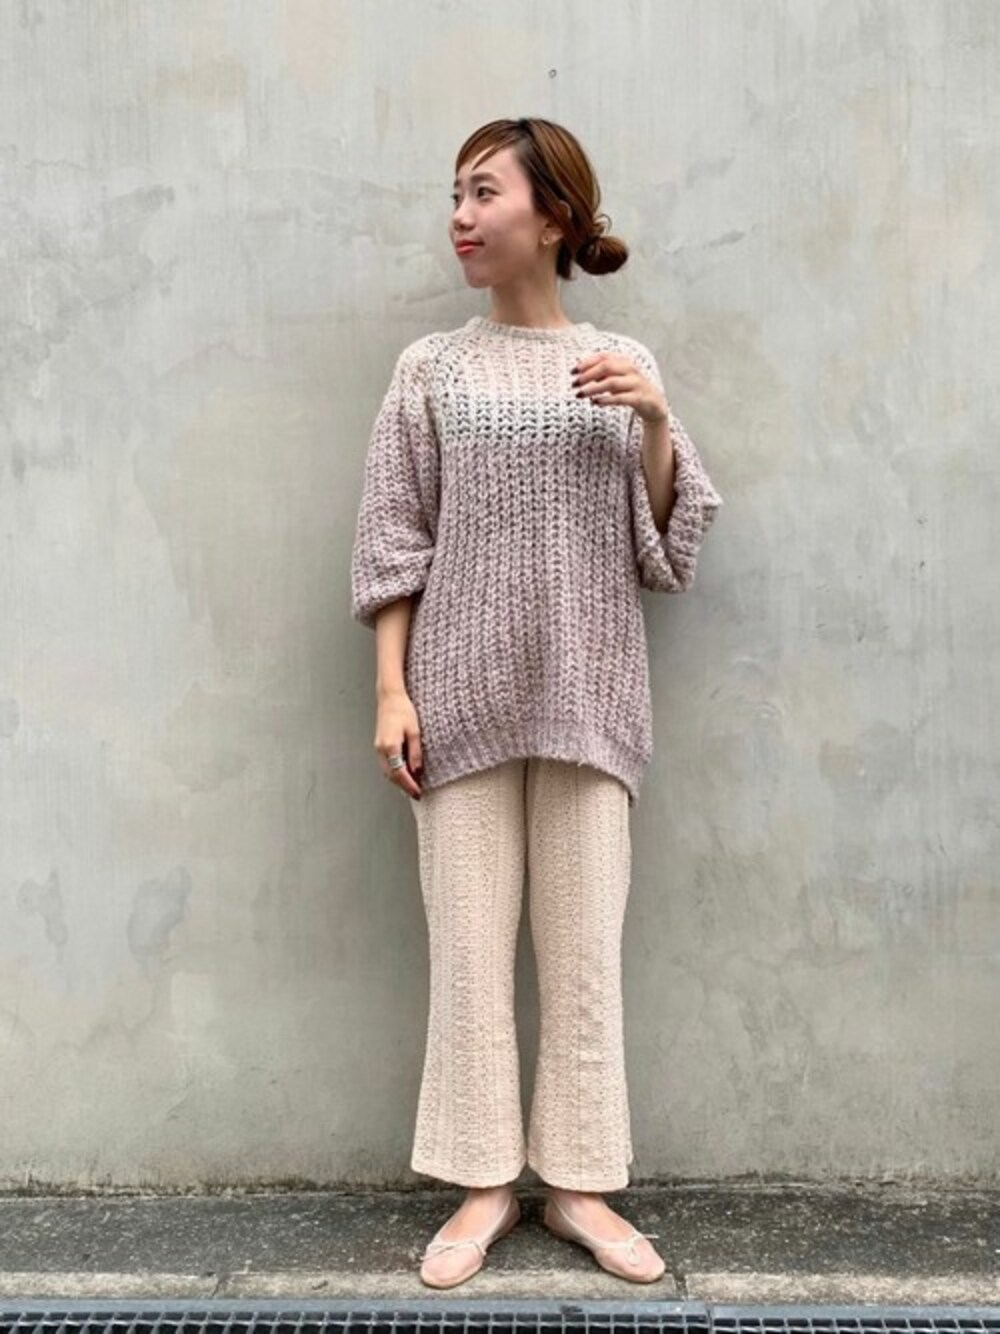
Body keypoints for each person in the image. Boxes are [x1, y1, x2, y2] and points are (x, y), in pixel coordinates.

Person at [350, 117, 724, 1288]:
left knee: (583, 956)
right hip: (455, 701)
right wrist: (391, 690)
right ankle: (479, 1183)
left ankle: (577, 1184)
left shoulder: (619, 360)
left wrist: (652, 418)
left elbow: (666, 545)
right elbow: (394, 537)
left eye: (483, 193)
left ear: (551, 215)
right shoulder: (431, 368)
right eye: (454, 196)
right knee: (467, 954)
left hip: (589, 693)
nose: (459, 217)